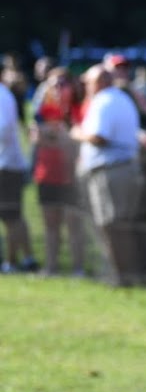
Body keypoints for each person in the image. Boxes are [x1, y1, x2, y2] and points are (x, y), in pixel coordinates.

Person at [72, 64, 143, 286]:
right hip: (121, 168)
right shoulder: (120, 98)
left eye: (88, 82)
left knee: (112, 226)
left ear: (99, 82)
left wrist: (77, 133)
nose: (85, 86)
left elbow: (99, 137)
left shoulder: (104, 101)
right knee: (117, 225)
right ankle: (122, 274)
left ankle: (122, 275)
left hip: (111, 171)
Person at [30, 66, 86, 275]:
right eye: (53, 84)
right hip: (47, 173)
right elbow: (37, 137)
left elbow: (73, 141)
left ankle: (78, 268)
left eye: (63, 84)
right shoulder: (43, 111)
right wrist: (57, 136)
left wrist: (54, 135)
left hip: (72, 175)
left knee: (74, 225)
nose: (58, 89)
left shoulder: (79, 109)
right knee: (50, 224)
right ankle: (51, 267)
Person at [0, 66, 37, 272]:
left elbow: (3, 128)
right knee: (11, 215)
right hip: (8, 163)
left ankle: (14, 261)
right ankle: (22, 259)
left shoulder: (1, 95)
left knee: (11, 215)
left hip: (6, 164)